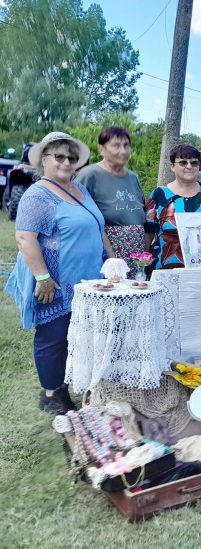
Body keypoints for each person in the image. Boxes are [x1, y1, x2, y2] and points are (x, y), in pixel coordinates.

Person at [5, 131, 113, 414]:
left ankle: (66, 384)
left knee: (76, 335)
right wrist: (43, 277)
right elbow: (25, 238)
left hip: (89, 278)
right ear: (44, 160)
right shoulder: (38, 194)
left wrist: (113, 261)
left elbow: (97, 228)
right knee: (53, 336)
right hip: (56, 278)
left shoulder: (81, 190)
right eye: (60, 156)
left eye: (72, 158)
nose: (67, 162)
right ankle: (51, 394)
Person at [76, 127, 146, 277]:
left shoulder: (133, 177)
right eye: (116, 145)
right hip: (106, 253)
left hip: (135, 253)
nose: (123, 151)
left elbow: (141, 213)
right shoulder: (89, 175)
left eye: (126, 145)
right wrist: (111, 256)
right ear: (102, 149)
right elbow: (79, 215)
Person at [144, 144, 201, 270]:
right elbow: (148, 234)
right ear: (172, 166)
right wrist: (142, 264)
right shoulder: (159, 195)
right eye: (183, 162)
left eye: (194, 163)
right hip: (165, 268)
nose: (189, 166)